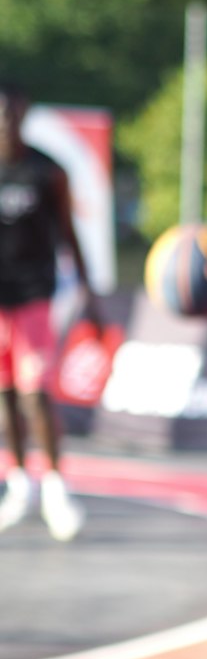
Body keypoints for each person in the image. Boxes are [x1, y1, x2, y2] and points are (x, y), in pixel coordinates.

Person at [0, 81, 99, 540]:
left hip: (35, 296)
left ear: (24, 115)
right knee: (4, 398)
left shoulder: (47, 171)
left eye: (12, 113)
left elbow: (68, 235)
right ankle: (20, 484)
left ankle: (56, 486)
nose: (5, 121)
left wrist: (90, 294)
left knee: (34, 392)